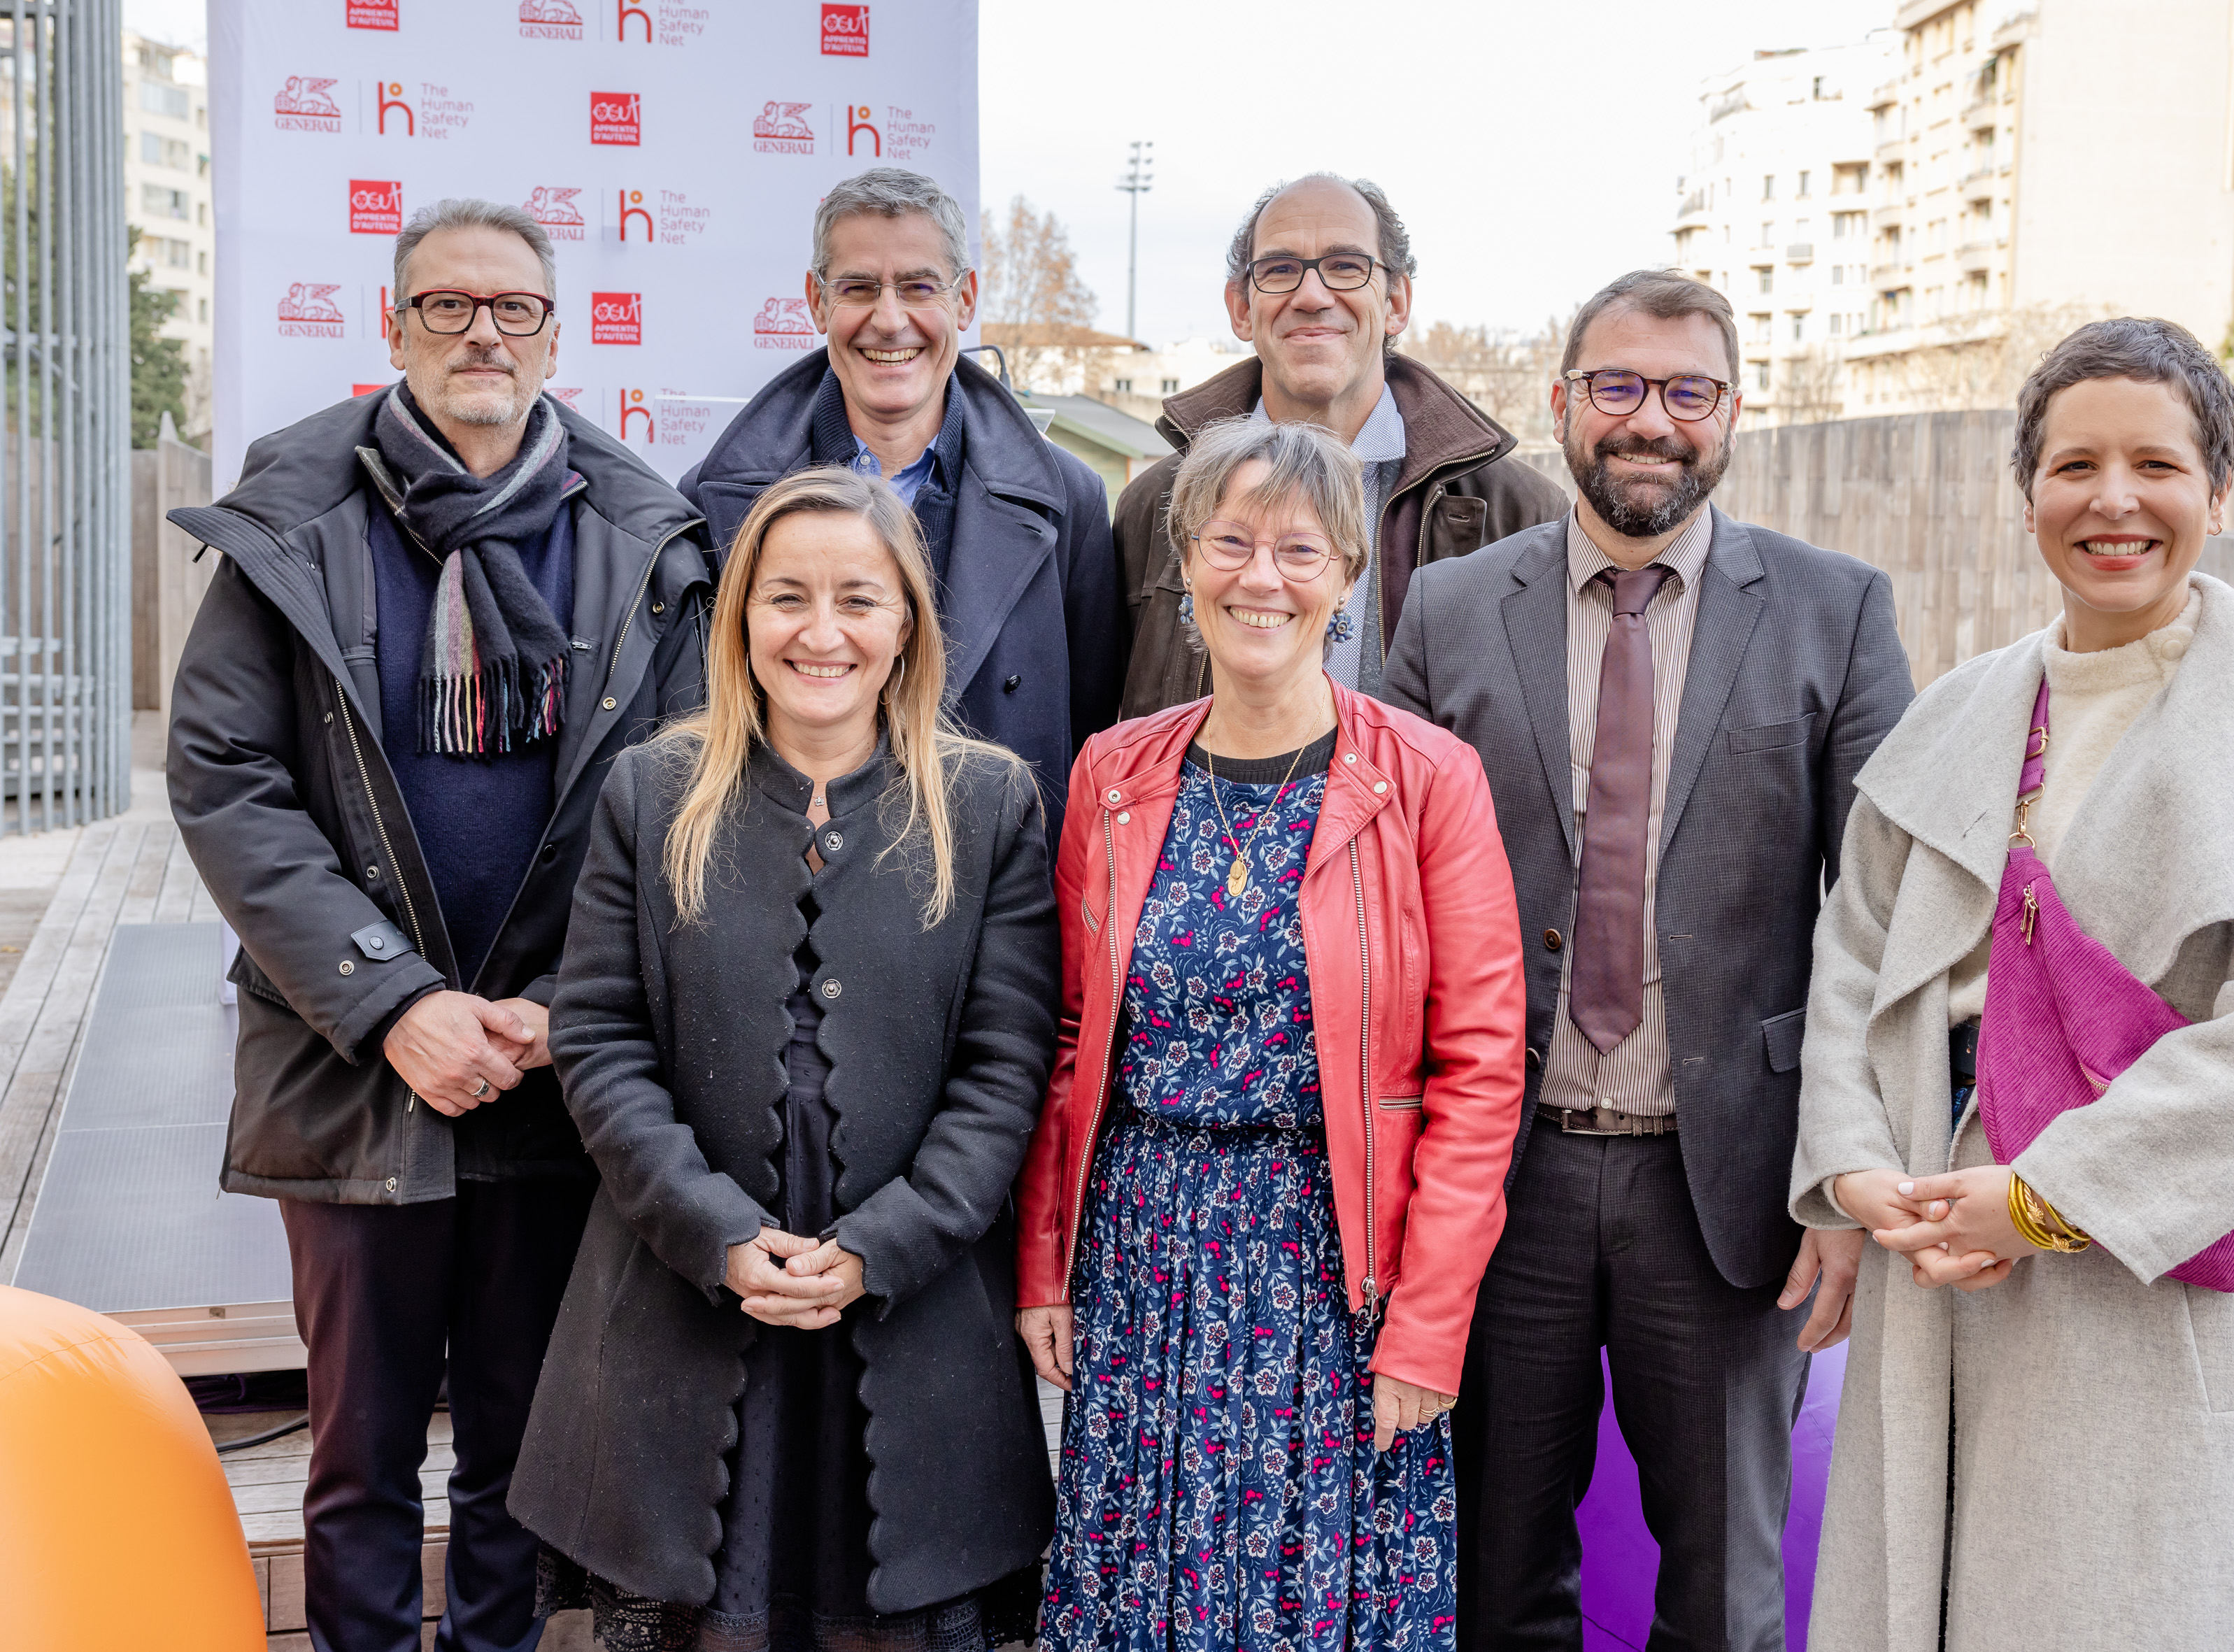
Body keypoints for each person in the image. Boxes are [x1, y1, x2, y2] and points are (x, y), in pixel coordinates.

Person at [1790, 319, 2234, 1650]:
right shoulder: (1953, 713)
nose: (2112, 500)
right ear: (2028, 496)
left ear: (2219, 493)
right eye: (2073, 465)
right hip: (1934, 1253)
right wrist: (1846, 1171)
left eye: (2156, 465)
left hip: (2143, 1284)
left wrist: (2042, 1201)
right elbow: (1852, 958)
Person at [166, 198, 713, 1652]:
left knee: (521, 1449)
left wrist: (566, 1001)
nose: (483, 330)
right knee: (355, 1448)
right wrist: (395, 999)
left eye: (514, 307)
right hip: (352, 1066)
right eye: (448, 304)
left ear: (557, 332)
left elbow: (678, 787)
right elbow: (228, 778)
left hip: (548, 1070)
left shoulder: (644, 534)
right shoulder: (294, 517)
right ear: (389, 324)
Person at [1381, 269, 1915, 1651]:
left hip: (1728, 1183)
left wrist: (1845, 1175)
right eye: (1617, 385)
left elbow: (1884, 916)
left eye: (1687, 392)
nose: (1650, 421)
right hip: (1507, 1178)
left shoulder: (1833, 608)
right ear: (1563, 405)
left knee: (1727, 1589)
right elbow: (1375, 897)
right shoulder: (1446, 611)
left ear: (1731, 415)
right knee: (1495, 1574)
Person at [510, 467, 1060, 1648]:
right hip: (685, 1313)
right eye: (786, 597)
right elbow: (599, 1037)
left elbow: (1006, 1062)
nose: (821, 632)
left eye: (858, 599)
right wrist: (711, 1228)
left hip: (911, 1327)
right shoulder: (652, 794)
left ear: (905, 621)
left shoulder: (989, 803)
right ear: (739, 617)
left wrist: (884, 1244)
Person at [1014, 418, 1528, 1649]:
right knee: (1144, 1583)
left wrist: (1429, 1323)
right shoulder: (1114, 774)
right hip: (1143, 1256)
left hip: (1337, 1265)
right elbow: (1072, 1033)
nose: (1262, 576)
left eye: (1300, 549)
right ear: (1185, 562)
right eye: (1232, 542)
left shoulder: (1426, 778)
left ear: (1347, 573)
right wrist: (1044, 1263)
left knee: (1319, 1593)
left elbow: (1480, 1065)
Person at [681, 166, 1121, 838]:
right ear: (816, 300)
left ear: (965, 299)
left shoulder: (1070, 504)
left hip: (994, 903)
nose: (889, 321)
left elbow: (1092, 731)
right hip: (783, 898)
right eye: (858, 287)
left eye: (919, 287)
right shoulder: (715, 502)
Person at [1114, 172, 1566, 718]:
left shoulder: (1523, 517)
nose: (1311, 296)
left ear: (1396, 301)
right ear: (1240, 308)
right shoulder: (1154, 505)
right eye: (1280, 270)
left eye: (1345, 267)